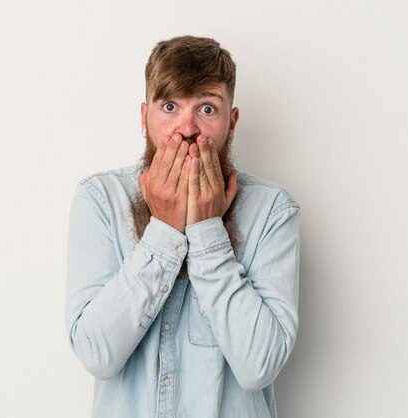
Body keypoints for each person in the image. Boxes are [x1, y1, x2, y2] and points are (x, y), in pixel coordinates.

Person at [66, 35, 300, 418]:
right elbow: (96, 353)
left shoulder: (274, 210)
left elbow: (260, 365)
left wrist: (207, 229)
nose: (187, 129)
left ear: (232, 121)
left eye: (207, 108)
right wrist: (164, 228)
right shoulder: (100, 199)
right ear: (145, 117)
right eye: (170, 106)